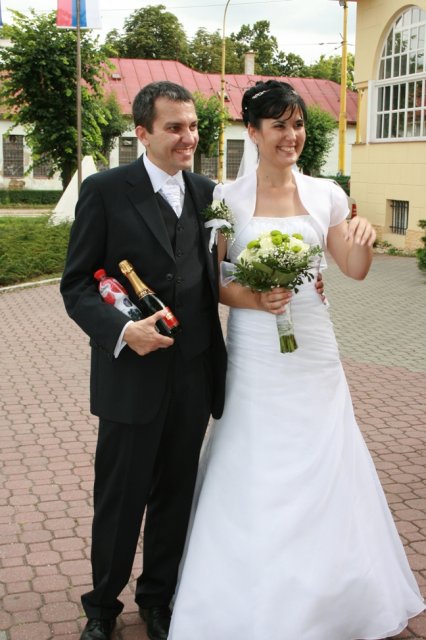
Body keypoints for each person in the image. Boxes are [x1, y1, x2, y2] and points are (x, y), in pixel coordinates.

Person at [167, 80, 425, 639]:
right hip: (257, 351)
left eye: (299, 124)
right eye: (280, 125)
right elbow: (214, 284)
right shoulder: (226, 198)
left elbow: (353, 269)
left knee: (326, 452)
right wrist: (255, 297)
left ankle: (334, 595)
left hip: (314, 347)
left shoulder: (327, 193)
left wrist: (365, 237)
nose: (292, 135)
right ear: (253, 132)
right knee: (255, 455)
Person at [60, 81, 229, 640]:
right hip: (130, 376)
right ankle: (102, 607)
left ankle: (157, 599)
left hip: (193, 372)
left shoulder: (208, 193)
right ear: (142, 132)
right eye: (174, 127)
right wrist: (123, 331)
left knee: (175, 496)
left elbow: (217, 274)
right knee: (120, 498)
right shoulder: (106, 190)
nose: (188, 137)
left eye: (193, 126)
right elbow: (76, 284)